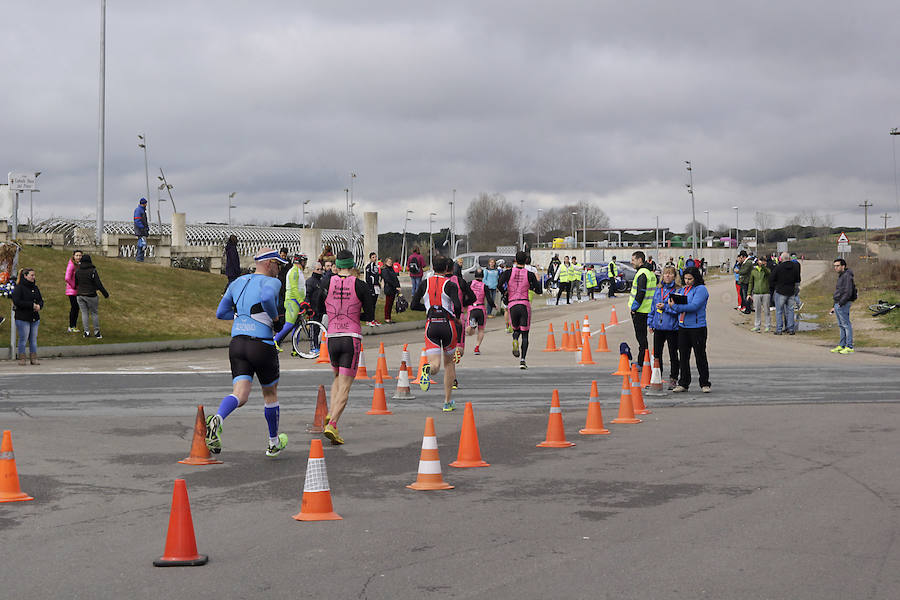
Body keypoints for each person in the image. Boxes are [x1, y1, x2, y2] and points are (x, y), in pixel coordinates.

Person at [207, 248, 289, 457]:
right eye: (278, 264)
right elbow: (268, 297)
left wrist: (240, 316)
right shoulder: (272, 282)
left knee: (240, 394)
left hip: (237, 344)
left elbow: (220, 312)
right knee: (270, 394)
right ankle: (273, 443)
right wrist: (275, 319)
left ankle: (218, 418)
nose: (279, 269)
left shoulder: (238, 282)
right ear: (269, 263)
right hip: (260, 343)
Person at [315, 249, 376, 444]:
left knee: (336, 378)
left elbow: (318, 306)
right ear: (353, 265)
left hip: (331, 337)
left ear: (337, 265)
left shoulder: (326, 282)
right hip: (351, 337)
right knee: (346, 387)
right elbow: (371, 314)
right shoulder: (361, 285)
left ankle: (331, 414)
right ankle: (332, 423)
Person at [411, 255, 463, 412]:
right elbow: (458, 305)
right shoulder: (450, 284)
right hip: (447, 324)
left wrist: (428, 310)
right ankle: (447, 402)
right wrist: (458, 318)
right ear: (447, 269)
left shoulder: (425, 283)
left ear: (433, 268)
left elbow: (413, 305)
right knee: (449, 364)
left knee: (435, 364)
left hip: (431, 325)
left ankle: (427, 369)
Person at [666, 266, 710, 393]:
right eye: (685, 278)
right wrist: (672, 305)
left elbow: (694, 306)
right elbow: (679, 304)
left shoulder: (701, 289)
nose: (687, 281)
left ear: (696, 278)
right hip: (683, 326)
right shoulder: (684, 290)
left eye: (690, 279)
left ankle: (704, 383)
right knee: (683, 356)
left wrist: (676, 307)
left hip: (697, 327)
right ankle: (684, 383)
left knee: (700, 355)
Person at [498, 251, 542, 369]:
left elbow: (499, 284)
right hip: (524, 304)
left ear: (516, 260)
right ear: (526, 260)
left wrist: (505, 292)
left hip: (512, 304)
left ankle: (515, 339)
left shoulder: (508, 272)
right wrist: (533, 286)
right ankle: (522, 360)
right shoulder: (530, 274)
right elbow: (539, 290)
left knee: (515, 329)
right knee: (525, 334)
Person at [649, 266, 680, 390]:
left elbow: (678, 309)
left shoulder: (677, 291)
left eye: (670, 274)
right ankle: (657, 377)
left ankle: (673, 379)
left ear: (674, 276)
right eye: (665, 274)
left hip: (672, 328)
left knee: (673, 354)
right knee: (657, 354)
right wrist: (650, 323)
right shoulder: (658, 290)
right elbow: (652, 308)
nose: (667, 276)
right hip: (658, 326)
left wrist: (665, 307)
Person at [629, 251, 658, 370]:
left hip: (640, 310)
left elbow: (641, 293)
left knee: (641, 338)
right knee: (644, 338)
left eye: (633, 260)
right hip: (648, 309)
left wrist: (634, 308)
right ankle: (645, 360)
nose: (632, 262)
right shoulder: (650, 273)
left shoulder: (642, 273)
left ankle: (642, 362)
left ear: (640, 260)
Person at [273, 254, 308, 350]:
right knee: (289, 324)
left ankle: (295, 349)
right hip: (292, 301)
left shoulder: (299, 271)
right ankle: (275, 340)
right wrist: (301, 301)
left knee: (297, 326)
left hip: (297, 301)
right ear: (300, 262)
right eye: (304, 261)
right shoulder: (294, 271)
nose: (305, 264)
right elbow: (294, 288)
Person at [11, 267, 44, 366]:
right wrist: (31, 305)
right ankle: (22, 358)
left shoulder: (35, 287)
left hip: (34, 317)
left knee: (33, 339)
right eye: (32, 275)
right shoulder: (19, 288)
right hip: (22, 317)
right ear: (25, 276)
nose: (34, 277)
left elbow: (40, 300)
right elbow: (17, 301)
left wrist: (39, 306)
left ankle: (33, 358)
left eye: (34, 275)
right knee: (23, 338)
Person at [74, 254, 110, 339]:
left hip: (80, 295)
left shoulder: (78, 270)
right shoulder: (93, 270)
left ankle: (86, 332)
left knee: (84, 313)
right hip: (91, 295)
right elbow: (98, 284)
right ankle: (96, 332)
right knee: (94, 313)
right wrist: (105, 294)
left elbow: (76, 283)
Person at [829, 258, 855, 354]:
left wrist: (840, 303)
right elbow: (838, 292)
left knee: (846, 325)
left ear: (843, 266)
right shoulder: (841, 276)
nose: (835, 268)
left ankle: (849, 346)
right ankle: (841, 345)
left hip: (843, 304)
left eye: (837, 266)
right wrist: (834, 305)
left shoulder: (847, 276)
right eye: (834, 266)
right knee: (841, 325)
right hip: (838, 303)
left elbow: (848, 292)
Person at [770, 251, 800, 335]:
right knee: (790, 311)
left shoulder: (778, 267)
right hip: (791, 291)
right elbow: (798, 280)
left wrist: (776, 286)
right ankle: (791, 329)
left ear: (782, 259)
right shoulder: (795, 267)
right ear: (789, 258)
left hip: (780, 291)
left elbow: (772, 278)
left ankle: (779, 329)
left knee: (779, 311)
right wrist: (796, 290)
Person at [747, 256, 771, 333]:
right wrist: (749, 293)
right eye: (761, 261)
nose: (762, 262)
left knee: (766, 310)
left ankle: (767, 326)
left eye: (764, 261)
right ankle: (757, 326)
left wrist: (763, 267)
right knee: (757, 310)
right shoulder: (754, 271)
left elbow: (768, 273)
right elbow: (751, 282)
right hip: (756, 293)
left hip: (765, 293)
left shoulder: (766, 270)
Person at [467, 268, 488, 354]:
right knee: (481, 330)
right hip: (481, 309)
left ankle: (471, 325)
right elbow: (489, 299)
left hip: (472, 308)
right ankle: (477, 347)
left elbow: (465, 294)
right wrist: (494, 305)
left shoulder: (470, 284)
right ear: (482, 276)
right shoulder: (484, 286)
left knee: (470, 331)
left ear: (475, 275)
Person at [64, 249, 82, 333]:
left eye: (80, 255)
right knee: (74, 308)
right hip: (72, 290)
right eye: (77, 255)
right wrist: (73, 285)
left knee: (76, 308)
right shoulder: (71, 264)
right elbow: (67, 278)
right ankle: (71, 326)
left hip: (77, 290)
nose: (78, 257)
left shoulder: (79, 264)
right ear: (73, 256)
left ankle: (73, 326)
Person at [381, 256, 401, 324]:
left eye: (391, 262)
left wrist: (398, 286)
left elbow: (395, 278)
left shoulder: (391, 269)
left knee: (391, 304)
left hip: (393, 289)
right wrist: (395, 286)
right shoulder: (384, 270)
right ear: (386, 262)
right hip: (389, 288)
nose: (390, 263)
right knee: (388, 304)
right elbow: (388, 280)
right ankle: (387, 318)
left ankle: (389, 318)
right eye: (388, 262)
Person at [364, 252, 382, 326]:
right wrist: (370, 288)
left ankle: (373, 319)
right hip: (371, 288)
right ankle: (369, 320)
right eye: (373, 257)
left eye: (375, 257)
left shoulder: (376, 266)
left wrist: (378, 284)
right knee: (370, 304)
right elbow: (368, 278)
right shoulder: (369, 267)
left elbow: (377, 276)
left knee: (374, 304)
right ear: (370, 258)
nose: (375, 259)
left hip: (376, 287)